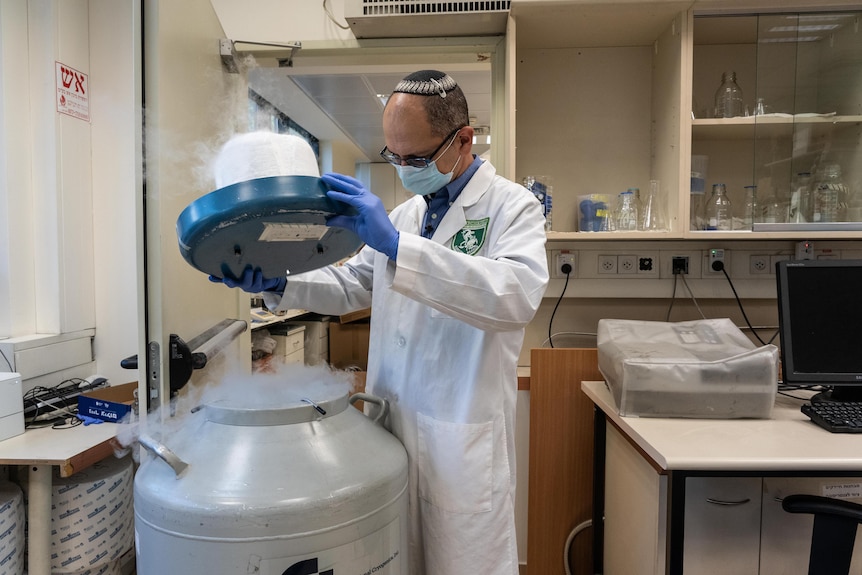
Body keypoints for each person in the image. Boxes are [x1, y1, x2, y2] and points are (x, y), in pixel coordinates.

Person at [213, 70, 549, 574]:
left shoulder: (511, 207)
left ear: (463, 140)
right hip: (391, 426)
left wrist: (395, 246)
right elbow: (352, 284)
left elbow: (515, 296)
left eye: (416, 158)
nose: (405, 168)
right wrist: (278, 284)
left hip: (460, 436)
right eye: (395, 156)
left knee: (465, 562)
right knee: (394, 557)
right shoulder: (408, 214)